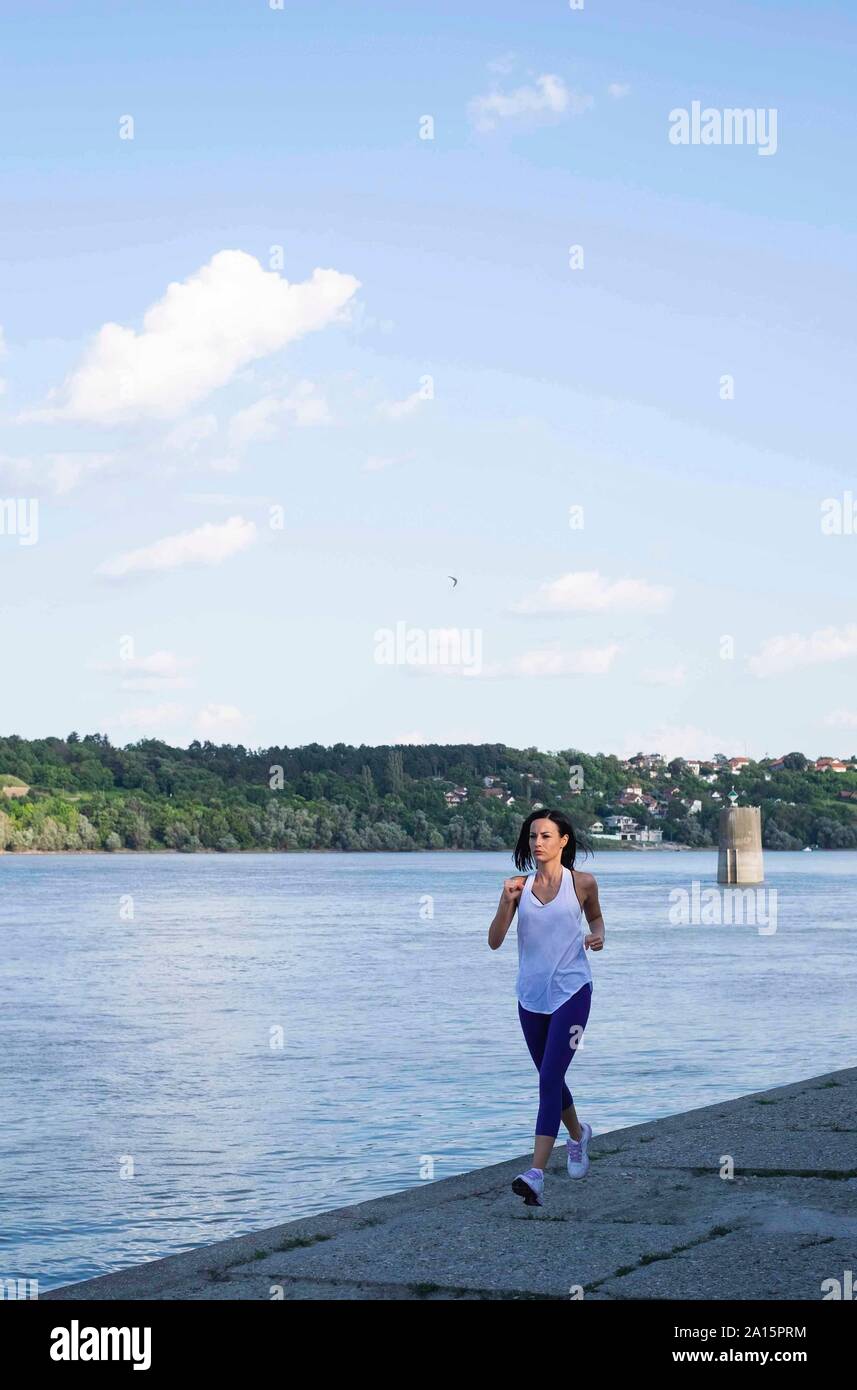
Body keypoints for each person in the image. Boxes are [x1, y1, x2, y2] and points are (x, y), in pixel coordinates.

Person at [488, 809, 605, 1206]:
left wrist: (597, 936)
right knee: (549, 1077)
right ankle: (578, 1136)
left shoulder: (583, 883)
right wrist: (506, 903)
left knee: (549, 1077)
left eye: (546, 836)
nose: (538, 842)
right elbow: (494, 940)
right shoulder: (518, 888)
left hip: (573, 993)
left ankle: (536, 1173)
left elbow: (597, 919)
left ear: (563, 841)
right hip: (530, 998)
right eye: (533, 836)